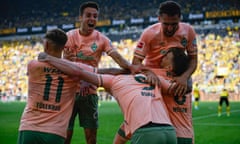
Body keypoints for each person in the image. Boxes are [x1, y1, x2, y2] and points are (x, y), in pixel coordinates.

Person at [38, 47, 190, 144]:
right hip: (169, 133)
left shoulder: (113, 81)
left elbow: (79, 72)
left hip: (146, 132)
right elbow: (184, 87)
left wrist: (49, 58)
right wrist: (185, 76)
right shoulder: (152, 78)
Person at [114, 1, 198, 143]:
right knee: (143, 118)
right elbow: (135, 64)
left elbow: (193, 60)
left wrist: (184, 77)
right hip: (153, 80)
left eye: (174, 24)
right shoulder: (149, 34)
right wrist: (149, 73)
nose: (170, 28)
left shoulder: (188, 31)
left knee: (180, 116)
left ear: (180, 19)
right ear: (159, 19)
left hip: (174, 77)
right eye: (166, 24)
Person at [63, 1, 139, 144]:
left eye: (95, 16)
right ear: (80, 17)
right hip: (69, 93)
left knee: (91, 138)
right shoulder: (70, 36)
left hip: (90, 94)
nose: (92, 19)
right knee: (65, 136)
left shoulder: (102, 39)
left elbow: (116, 56)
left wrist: (130, 68)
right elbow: (67, 65)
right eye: (88, 15)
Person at [17, 28, 97, 144]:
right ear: (64, 47)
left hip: (29, 128)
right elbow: (103, 72)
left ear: (46, 45)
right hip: (55, 132)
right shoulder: (74, 70)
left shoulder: (33, 65)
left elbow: (49, 69)